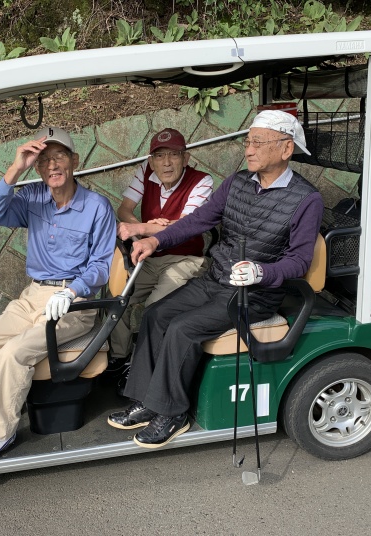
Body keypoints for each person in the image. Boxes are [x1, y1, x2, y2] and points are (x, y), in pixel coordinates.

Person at [107, 110, 324, 448]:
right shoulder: (237, 182)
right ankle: (149, 401)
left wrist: (261, 272)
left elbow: (299, 261)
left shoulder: (306, 199)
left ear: (286, 148)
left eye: (258, 142)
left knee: (182, 329)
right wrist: (155, 240)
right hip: (215, 279)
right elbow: (198, 220)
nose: (248, 149)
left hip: (254, 294)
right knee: (155, 315)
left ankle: (173, 413)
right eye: (248, 141)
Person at [0, 126, 117, 466]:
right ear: (38, 168)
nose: (52, 165)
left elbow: (102, 266)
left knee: (13, 353)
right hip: (33, 296)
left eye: (59, 157)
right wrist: (17, 167)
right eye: (43, 160)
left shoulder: (97, 207)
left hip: (75, 302)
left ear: (74, 161)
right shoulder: (32, 197)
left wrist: (73, 291)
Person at [108, 128, 213, 385]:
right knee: (116, 300)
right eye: (159, 156)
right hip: (150, 257)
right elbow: (124, 209)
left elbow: (186, 226)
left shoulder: (202, 181)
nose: (166, 162)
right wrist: (143, 228)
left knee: (155, 310)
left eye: (174, 155)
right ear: (151, 160)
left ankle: (141, 370)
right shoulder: (146, 171)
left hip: (185, 260)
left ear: (185, 158)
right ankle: (120, 359)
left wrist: (144, 228)